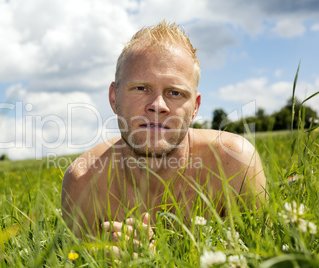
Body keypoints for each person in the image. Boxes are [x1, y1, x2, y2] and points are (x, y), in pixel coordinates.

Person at [61, 21, 266, 250]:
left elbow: (265, 257)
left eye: (175, 92)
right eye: (141, 88)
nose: (157, 106)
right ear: (114, 97)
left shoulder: (234, 163)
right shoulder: (84, 182)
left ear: (195, 108)